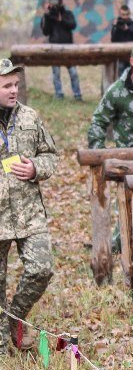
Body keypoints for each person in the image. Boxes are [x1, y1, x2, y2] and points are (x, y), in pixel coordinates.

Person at [0, 58, 56, 353]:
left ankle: (15, 318)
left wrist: (35, 168)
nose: (14, 91)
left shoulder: (30, 118)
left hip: (28, 213)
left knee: (42, 269)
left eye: (16, 85)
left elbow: (51, 155)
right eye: (7, 85)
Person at [40, 0, 82, 101]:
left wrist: (61, 19)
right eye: (53, 2)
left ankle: (77, 95)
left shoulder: (67, 14)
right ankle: (59, 94)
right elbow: (45, 32)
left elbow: (73, 25)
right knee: (56, 73)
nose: (55, 5)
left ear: (61, 2)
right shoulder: (48, 16)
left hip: (68, 48)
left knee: (73, 72)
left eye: (56, 2)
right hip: (54, 48)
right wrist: (47, 16)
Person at [110, 5, 133, 75]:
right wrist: (115, 27)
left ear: (129, 14)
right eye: (123, 14)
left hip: (132, 55)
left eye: (127, 14)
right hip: (121, 56)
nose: (125, 17)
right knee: (121, 77)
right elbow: (113, 40)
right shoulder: (117, 25)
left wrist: (128, 29)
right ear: (120, 14)